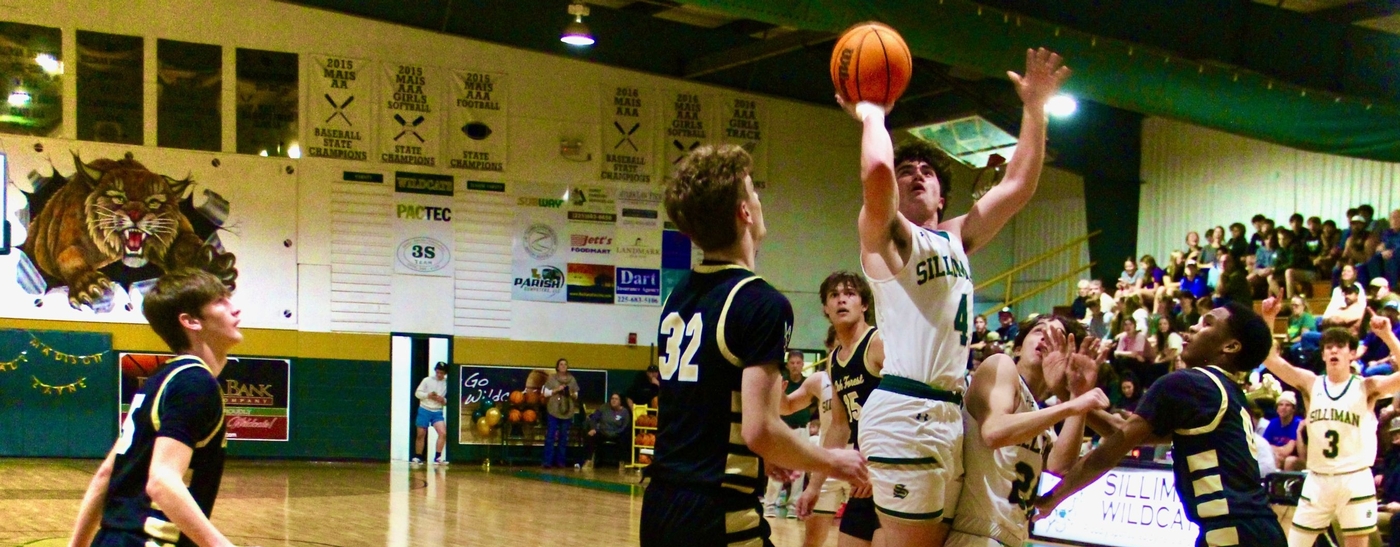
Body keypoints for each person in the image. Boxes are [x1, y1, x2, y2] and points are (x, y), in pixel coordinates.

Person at [841, 46, 1069, 546]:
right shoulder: (888, 236)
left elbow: (1018, 185)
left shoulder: (956, 238)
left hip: (946, 416)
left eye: (927, 170)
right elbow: (876, 174)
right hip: (907, 409)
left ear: (943, 198)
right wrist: (872, 111)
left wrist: (1034, 106)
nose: (916, 172)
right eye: (908, 170)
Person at [640, 144, 867, 547]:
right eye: (754, 194)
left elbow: (711, 403)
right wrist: (834, 461)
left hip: (659, 503)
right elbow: (760, 428)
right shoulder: (761, 302)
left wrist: (769, 457)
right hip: (716, 511)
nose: (759, 203)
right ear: (745, 212)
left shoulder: (678, 295)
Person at [1035, 302, 1287, 547]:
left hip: (1234, 533)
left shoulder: (1189, 383)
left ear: (1230, 346)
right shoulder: (1226, 392)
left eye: (1207, 323)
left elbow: (1111, 449)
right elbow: (1117, 432)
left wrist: (1054, 497)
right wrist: (1066, 390)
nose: (1193, 328)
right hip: (1254, 530)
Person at [68, 269, 243, 547]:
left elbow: (106, 474)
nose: (235, 309)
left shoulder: (161, 380)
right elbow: (162, 481)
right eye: (220, 301)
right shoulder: (195, 383)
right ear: (190, 321)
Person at [945, 316, 1108, 547]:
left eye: (1056, 337)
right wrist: (1070, 406)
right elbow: (993, 431)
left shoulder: (1038, 413)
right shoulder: (1000, 365)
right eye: (1039, 331)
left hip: (1011, 536)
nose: (1045, 338)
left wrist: (1076, 393)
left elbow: (1060, 465)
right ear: (1018, 347)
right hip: (975, 533)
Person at [1258, 299, 1400, 547]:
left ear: (1352, 353)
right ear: (1322, 353)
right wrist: (1269, 319)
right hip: (1318, 478)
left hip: (1354, 478)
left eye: (1341, 346)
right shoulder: (1311, 383)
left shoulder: (1367, 387)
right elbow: (1271, 360)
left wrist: (1387, 336)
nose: (1334, 351)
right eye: (1329, 347)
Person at [793, 271, 885, 547]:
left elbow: (906, 410)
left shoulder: (879, 344)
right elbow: (838, 427)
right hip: (863, 476)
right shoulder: (834, 361)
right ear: (825, 308)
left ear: (864, 304)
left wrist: (879, 465)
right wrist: (813, 487)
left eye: (850, 294)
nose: (841, 300)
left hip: (891, 474)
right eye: (834, 295)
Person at [764, 350, 813, 517]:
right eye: (792, 363)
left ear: (802, 364)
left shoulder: (808, 383)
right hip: (783, 429)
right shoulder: (781, 381)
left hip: (802, 429)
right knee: (777, 467)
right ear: (787, 364)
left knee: (800, 470)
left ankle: (794, 506)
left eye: (798, 363)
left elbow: (813, 407)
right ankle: (769, 505)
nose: (795, 366)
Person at [542, 358, 580, 469]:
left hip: (566, 411)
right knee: (550, 436)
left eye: (565, 364)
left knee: (563, 437)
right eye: (561, 364)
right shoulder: (552, 378)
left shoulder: (572, 379)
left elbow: (576, 395)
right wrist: (556, 390)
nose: (563, 366)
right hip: (553, 411)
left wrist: (571, 393)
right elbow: (545, 393)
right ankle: (547, 461)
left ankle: (560, 462)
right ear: (557, 367)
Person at [413, 362, 450, 465]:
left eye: (441, 373)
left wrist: (443, 400)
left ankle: (438, 457)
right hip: (424, 409)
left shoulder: (447, 383)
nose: (439, 375)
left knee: (442, 433)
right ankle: (418, 456)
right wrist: (428, 395)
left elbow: (449, 399)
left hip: (437, 411)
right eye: (437, 372)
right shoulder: (427, 380)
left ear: (445, 373)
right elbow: (417, 393)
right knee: (421, 433)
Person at [587, 393, 631, 468]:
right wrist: (593, 428)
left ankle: (622, 462)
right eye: (612, 399)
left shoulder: (624, 412)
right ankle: (589, 461)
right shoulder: (604, 407)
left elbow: (625, 426)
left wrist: (616, 432)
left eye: (616, 399)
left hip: (617, 433)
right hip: (603, 432)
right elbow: (594, 418)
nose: (613, 401)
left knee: (624, 438)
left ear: (620, 401)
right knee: (591, 436)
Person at [1375, 417, 1400, 547]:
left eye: (1399, 432)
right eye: (1394, 433)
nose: (1396, 436)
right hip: (1386, 504)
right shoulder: (1393, 456)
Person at [1263, 391, 1301, 472]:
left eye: (1287, 405)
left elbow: (1287, 451)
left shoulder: (1298, 423)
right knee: (1273, 458)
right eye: (1281, 405)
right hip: (1278, 456)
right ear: (1277, 409)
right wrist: (1278, 451)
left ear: (1293, 409)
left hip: (1297, 458)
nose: (1283, 407)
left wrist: (1273, 448)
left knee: (1289, 461)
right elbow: (1264, 446)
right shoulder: (1273, 422)